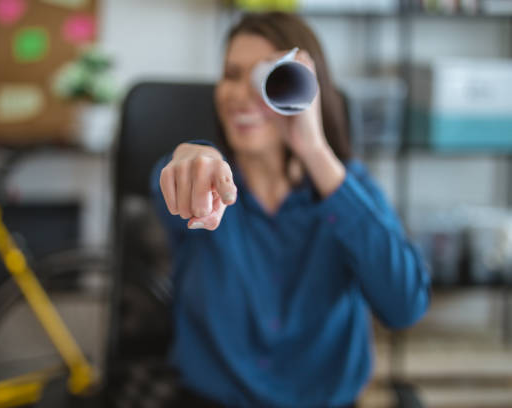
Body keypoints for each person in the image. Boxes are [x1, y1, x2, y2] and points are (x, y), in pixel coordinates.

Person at [149, 11, 431, 408]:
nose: (241, 95)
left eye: (264, 78)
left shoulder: (349, 189)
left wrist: (315, 151)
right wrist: (189, 155)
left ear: (303, 89)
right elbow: (177, 177)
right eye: (231, 75)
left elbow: (404, 307)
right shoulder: (201, 179)